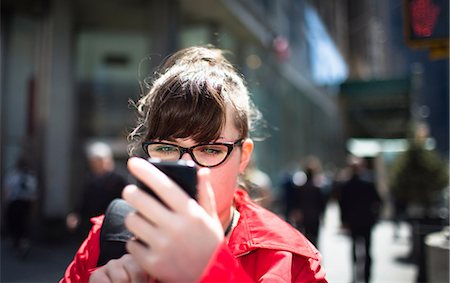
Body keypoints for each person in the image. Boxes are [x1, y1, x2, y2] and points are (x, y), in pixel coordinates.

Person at [61, 46, 327, 283]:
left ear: (243, 157)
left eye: (211, 149)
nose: (188, 165)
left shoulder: (289, 259)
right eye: (166, 148)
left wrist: (213, 272)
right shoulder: (107, 237)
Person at [66, 141, 128, 237]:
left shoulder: (119, 178)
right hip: (92, 225)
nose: (94, 165)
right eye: (92, 162)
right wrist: (75, 214)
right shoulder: (91, 179)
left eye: (97, 161)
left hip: (113, 224)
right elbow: (84, 201)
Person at [339, 155, 381, 283]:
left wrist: (343, 221)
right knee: (367, 250)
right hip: (366, 221)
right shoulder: (368, 182)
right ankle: (366, 277)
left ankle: (356, 275)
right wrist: (375, 216)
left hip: (354, 222)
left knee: (355, 249)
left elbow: (342, 205)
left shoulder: (346, 184)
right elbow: (378, 201)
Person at [4, 156, 38, 258]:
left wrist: (7, 200)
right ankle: (23, 242)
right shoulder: (30, 176)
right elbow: (34, 191)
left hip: (16, 202)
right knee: (23, 223)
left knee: (15, 222)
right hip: (26, 202)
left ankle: (19, 242)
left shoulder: (14, 175)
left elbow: (8, 189)